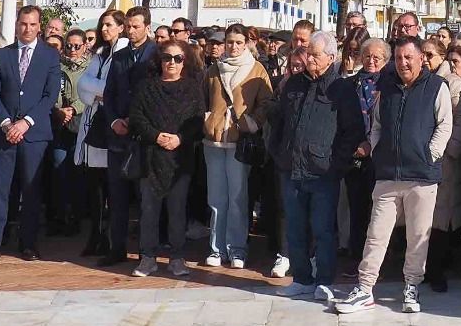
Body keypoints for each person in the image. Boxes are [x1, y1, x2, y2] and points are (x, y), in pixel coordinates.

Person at [335, 36, 453, 314]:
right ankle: (365, 289)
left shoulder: (437, 87)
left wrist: (430, 154)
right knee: (376, 234)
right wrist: (378, 150)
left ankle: (412, 286)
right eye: (399, 58)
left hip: (422, 176)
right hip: (388, 174)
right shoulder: (386, 88)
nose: (403, 63)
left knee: (417, 236)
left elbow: (445, 124)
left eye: (408, 58)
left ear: (421, 58)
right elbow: (376, 124)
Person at [270, 32, 361, 300]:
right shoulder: (293, 84)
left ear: (331, 58)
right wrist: (278, 153)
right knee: (295, 228)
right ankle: (301, 278)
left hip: (323, 172)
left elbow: (352, 130)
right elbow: (279, 122)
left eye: (315, 54)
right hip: (291, 168)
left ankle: (324, 280)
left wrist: (336, 164)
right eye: (308, 53)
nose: (309, 58)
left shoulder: (341, 89)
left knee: (323, 230)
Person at [0, 5, 62, 263]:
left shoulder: (50, 56)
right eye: (24, 24)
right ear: (17, 25)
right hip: (3, 133)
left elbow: (50, 95)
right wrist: (6, 123)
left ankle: (28, 242)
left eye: (33, 24)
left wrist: (25, 122)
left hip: (34, 133)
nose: (28, 29)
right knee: (0, 189)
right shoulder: (2, 56)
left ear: (39, 26)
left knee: (31, 188)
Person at [127, 40, 205, 277]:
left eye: (178, 58)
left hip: (180, 160)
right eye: (167, 58)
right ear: (159, 60)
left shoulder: (192, 88)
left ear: (185, 62)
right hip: (151, 158)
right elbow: (137, 117)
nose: (172, 63)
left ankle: (177, 257)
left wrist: (180, 138)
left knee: (177, 210)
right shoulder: (146, 87)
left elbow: (198, 120)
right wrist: (156, 136)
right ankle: (147, 258)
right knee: (149, 210)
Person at [202, 23, 274, 269]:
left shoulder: (256, 70)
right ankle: (216, 248)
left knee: (238, 198)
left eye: (238, 42)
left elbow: (267, 101)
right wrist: (207, 119)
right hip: (213, 140)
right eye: (229, 42)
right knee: (216, 198)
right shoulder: (213, 69)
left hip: (240, 141)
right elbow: (202, 98)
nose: (233, 47)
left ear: (246, 44)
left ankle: (237, 249)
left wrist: (252, 123)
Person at [92, 7, 157, 265]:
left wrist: (136, 121)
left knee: (144, 199)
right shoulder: (118, 57)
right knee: (116, 196)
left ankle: (146, 251)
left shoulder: (157, 55)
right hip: (119, 137)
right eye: (128, 26)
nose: (131, 31)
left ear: (147, 27)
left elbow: (156, 95)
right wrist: (116, 120)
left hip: (144, 136)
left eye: (136, 26)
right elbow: (109, 95)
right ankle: (115, 247)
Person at [76, 10, 125, 257]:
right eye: (102, 25)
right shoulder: (100, 54)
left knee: (113, 186)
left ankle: (111, 237)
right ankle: (95, 234)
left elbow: (117, 88)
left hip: (115, 123)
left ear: (121, 27)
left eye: (109, 25)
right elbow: (82, 86)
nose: (104, 29)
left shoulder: (124, 53)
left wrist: (102, 91)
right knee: (95, 185)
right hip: (96, 122)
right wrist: (102, 91)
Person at [425, 34, 461, 293]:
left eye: (431, 55)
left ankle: (437, 269)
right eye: (425, 54)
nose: (427, 59)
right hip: (421, 159)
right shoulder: (420, 80)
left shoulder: (453, 83)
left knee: (441, 216)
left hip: (444, 160)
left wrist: (449, 151)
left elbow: (460, 121)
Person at [343, 37, 387, 263]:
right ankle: (355, 255)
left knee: (378, 212)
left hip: (380, 155)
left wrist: (373, 143)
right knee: (357, 208)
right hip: (356, 154)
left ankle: (377, 259)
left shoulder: (390, 85)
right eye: (367, 56)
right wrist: (358, 144)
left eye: (376, 57)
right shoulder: (349, 84)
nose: (371, 61)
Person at [49, 30, 90, 236]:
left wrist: (73, 108)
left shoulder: (91, 67)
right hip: (60, 123)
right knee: (58, 170)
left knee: (77, 172)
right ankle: (59, 216)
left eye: (77, 46)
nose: (72, 50)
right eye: (69, 46)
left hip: (80, 123)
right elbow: (52, 90)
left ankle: (76, 217)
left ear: (85, 46)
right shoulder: (57, 66)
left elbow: (91, 93)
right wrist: (58, 110)